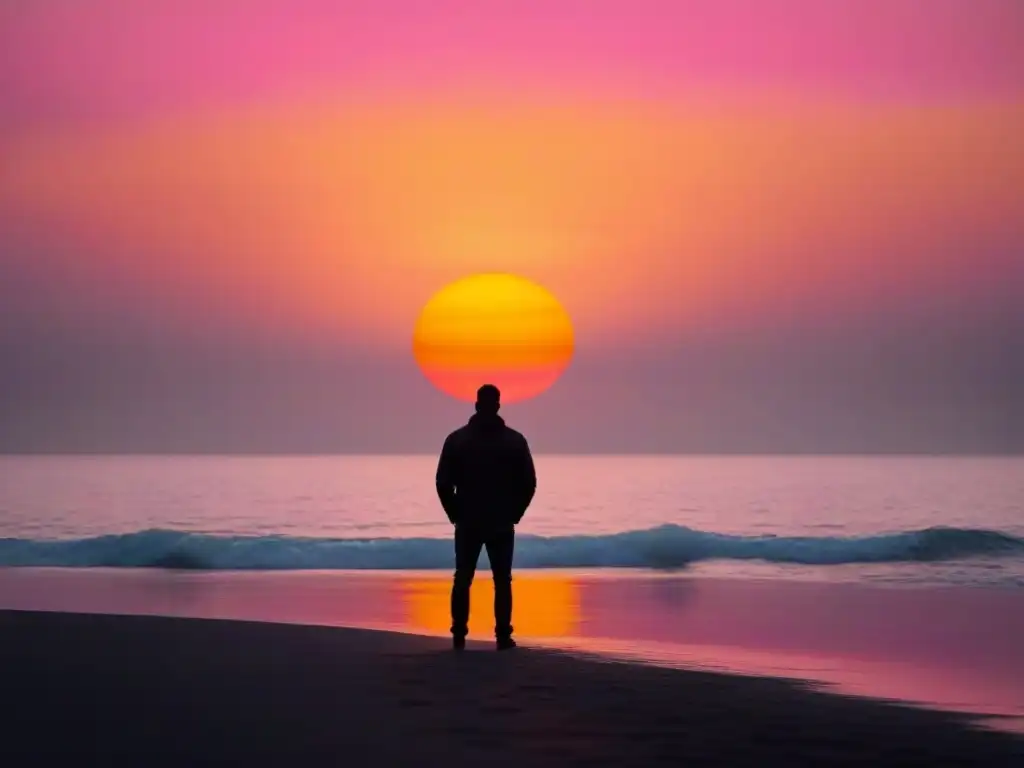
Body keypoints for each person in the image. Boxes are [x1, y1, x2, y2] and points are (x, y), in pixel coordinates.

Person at [435, 384, 537, 651]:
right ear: (498, 406)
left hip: (469, 518)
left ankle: (459, 634)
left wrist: (454, 512)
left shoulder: (457, 440)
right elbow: (529, 483)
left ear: (477, 405)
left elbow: (443, 483)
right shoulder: (514, 441)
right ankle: (502, 635)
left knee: (464, 578)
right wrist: (515, 512)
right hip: (500, 520)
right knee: (501, 580)